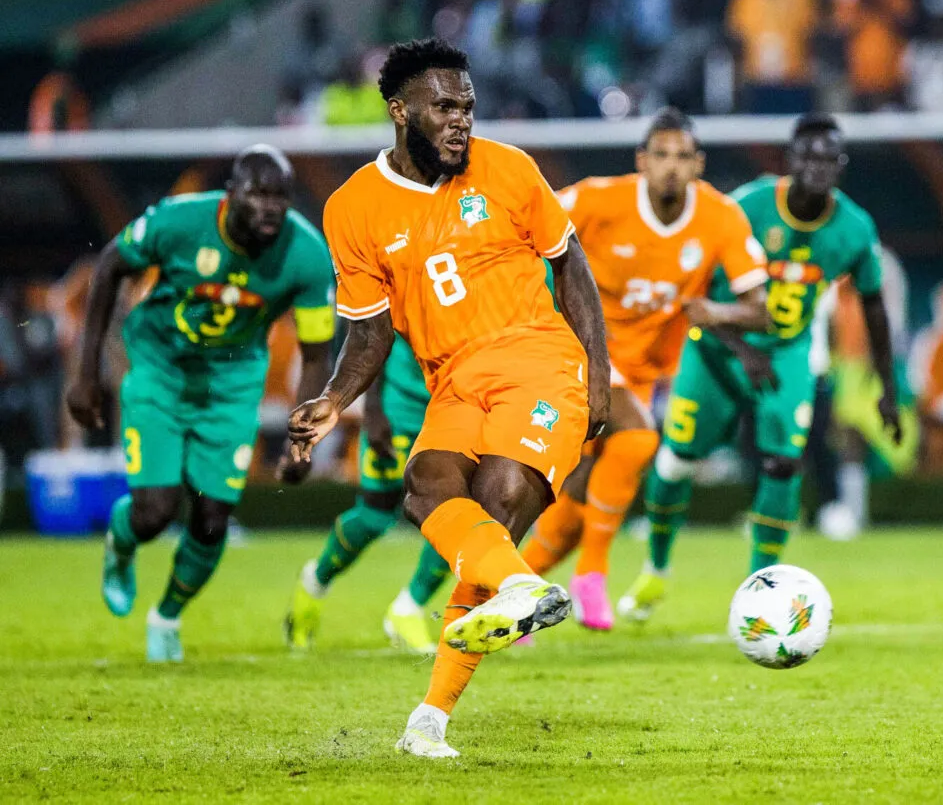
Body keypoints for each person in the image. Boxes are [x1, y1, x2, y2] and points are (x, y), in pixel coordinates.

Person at [285, 38, 610, 758]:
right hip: (452, 377)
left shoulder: (510, 168)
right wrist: (334, 399)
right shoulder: (352, 208)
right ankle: (519, 592)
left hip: (540, 362)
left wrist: (599, 377)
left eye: (467, 106)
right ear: (400, 111)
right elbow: (369, 333)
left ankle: (430, 717)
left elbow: (572, 268)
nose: (461, 119)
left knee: (499, 498)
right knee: (425, 487)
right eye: (444, 107)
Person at [618, 113, 903, 622]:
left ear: (841, 166)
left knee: (783, 465)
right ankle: (655, 570)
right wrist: (740, 348)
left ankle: (758, 592)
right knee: (678, 460)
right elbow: (695, 285)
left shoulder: (854, 229)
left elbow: (874, 306)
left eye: (828, 159)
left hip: (787, 354)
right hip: (715, 349)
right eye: (808, 156)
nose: (817, 167)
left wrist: (888, 388)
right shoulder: (748, 207)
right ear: (790, 160)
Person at [66, 146, 335, 663]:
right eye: (258, 194)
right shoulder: (180, 221)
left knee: (212, 518)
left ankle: (167, 617)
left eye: (280, 197)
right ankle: (122, 542)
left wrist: (303, 440)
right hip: (161, 371)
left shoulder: (305, 254)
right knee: (154, 513)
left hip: (231, 387)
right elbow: (110, 265)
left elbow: (316, 353)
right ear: (231, 194)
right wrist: (86, 373)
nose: (271, 208)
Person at [517, 108, 771, 630]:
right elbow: (525, 224)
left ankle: (511, 599)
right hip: (576, 349)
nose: (671, 167)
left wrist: (717, 311)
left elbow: (759, 309)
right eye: (661, 155)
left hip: (639, 371)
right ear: (642, 161)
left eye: (683, 157)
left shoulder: (720, 217)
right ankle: (592, 575)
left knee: (578, 497)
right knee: (638, 439)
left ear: (698, 165)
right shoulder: (598, 200)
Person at [284, 335, 452, 654]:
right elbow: (375, 336)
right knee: (374, 517)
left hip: (452, 415)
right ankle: (315, 581)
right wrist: (373, 412)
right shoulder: (410, 296)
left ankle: (409, 608)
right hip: (398, 413)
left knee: (457, 516)